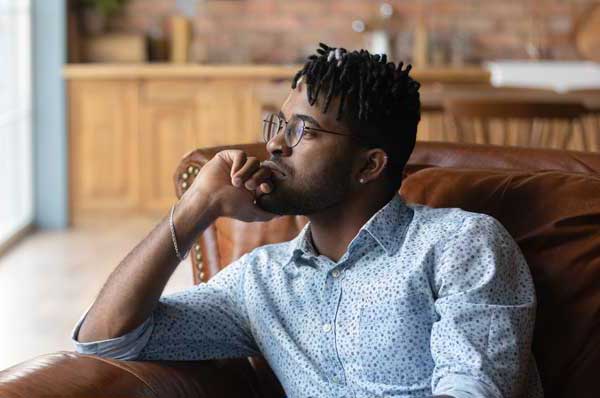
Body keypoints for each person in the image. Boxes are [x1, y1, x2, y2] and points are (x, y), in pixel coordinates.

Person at [72, 43, 543, 398]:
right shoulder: (261, 282)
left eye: (303, 131)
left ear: (369, 166)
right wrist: (197, 207)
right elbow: (106, 339)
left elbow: (473, 390)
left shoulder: (459, 244)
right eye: (278, 125)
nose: (276, 145)